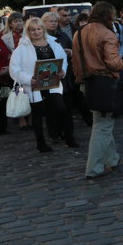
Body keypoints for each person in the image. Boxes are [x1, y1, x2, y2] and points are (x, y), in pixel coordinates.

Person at [72, 2, 123, 180]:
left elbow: (76, 62)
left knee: (101, 122)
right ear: (109, 15)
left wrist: (80, 80)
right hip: (105, 81)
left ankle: (112, 158)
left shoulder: (80, 32)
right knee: (102, 125)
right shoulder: (107, 34)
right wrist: (121, 64)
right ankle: (94, 167)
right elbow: (114, 62)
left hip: (87, 81)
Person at [10, 17, 75, 152]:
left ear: (43, 30)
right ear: (28, 31)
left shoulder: (54, 44)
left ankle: (68, 138)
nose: (36, 32)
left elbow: (63, 59)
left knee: (61, 109)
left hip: (53, 83)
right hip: (34, 86)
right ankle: (41, 143)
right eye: (32, 30)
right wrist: (28, 79)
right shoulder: (22, 48)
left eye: (39, 29)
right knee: (38, 114)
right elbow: (14, 69)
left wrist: (62, 70)